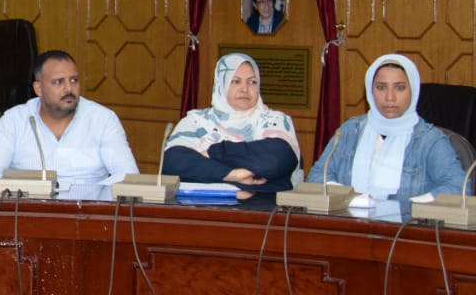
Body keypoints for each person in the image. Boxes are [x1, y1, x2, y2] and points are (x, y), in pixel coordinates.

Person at [308, 54, 465, 201]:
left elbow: (458, 187)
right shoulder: (350, 131)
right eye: (381, 87)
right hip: (350, 218)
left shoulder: (430, 140)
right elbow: (316, 177)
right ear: (370, 91)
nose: (390, 97)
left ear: (413, 91)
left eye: (399, 88)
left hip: (408, 220)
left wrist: (414, 206)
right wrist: (349, 196)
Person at [0, 50, 137, 189]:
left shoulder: (103, 119)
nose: (69, 89)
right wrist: (31, 193)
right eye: (58, 82)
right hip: (29, 209)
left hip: (87, 210)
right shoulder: (14, 120)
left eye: (74, 80)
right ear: (39, 88)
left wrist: (82, 196)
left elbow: (127, 176)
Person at [163, 53, 300, 199]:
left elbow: (276, 160)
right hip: (203, 206)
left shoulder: (276, 120)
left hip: (265, 207)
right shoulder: (197, 121)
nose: (244, 89)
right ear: (221, 84)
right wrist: (232, 175)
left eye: (252, 82)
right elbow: (172, 163)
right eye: (235, 81)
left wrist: (213, 153)